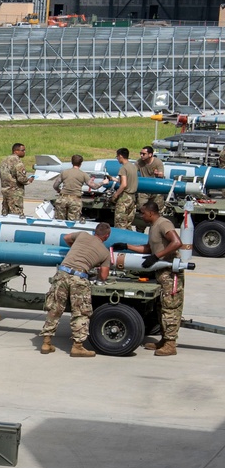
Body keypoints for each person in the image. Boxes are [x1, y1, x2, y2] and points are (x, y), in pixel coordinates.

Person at [39, 223, 112, 357]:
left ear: (94, 231)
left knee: (55, 308)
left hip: (62, 274)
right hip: (79, 278)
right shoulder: (105, 252)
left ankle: (46, 343)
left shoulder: (82, 235)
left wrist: (76, 250)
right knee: (80, 312)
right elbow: (103, 276)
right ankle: (77, 347)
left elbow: (66, 237)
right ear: (106, 236)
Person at [120, 202, 184, 356]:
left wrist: (157, 256)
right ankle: (164, 339)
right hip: (161, 272)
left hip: (170, 273)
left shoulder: (163, 224)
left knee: (171, 307)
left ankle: (170, 344)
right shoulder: (153, 227)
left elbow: (177, 242)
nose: (141, 216)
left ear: (150, 212)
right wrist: (127, 246)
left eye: (143, 213)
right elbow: (149, 248)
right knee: (161, 307)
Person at [52, 155, 106, 221]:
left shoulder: (64, 172)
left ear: (71, 162)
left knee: (59, 222)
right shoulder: (83, 174)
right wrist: (103, 182)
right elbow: (94, 186)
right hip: (75, 200)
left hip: (62, 199)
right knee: (73, 223)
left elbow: (55, 185)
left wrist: (59, 190)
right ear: (81, 163)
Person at [0, 142, 34, 216]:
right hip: (15, 193)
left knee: (5, 214)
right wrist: (29, 180)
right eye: (22, 150)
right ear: (16, 151)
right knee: (16, 215)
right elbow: (21, 178)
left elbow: (0, 173)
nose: (24, 152)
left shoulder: (4, 160)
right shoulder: (17, 162)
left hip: (5, 191)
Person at [111, 147, 138, 230]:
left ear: (120, 156)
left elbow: (124, 184)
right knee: (128, 224)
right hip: (132, 198)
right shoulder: (133, 167)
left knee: (120, 224)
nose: (117, 159)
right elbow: (127, 181)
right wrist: (113, 179)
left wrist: (116, 195)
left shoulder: (123, 168)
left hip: (124, 198)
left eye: (117, 157)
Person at [136, 146, 166, 212]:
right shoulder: (139, 162)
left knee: (158, 208)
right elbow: (133, 170)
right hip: (144, 189)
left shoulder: (158, 162)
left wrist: (157, 174)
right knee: (142, 206)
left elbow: (161, 174)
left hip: (156, 189)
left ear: (150, 154)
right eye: (140, 153)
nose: (141, 155)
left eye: (143, 154)